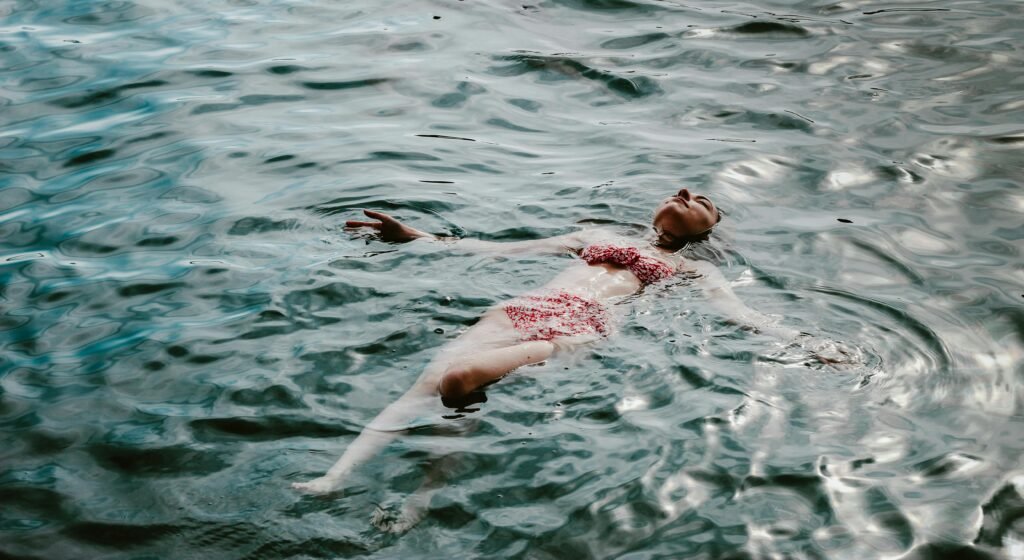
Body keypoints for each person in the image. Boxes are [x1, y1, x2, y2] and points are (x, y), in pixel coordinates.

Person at [292, 188, 805, 505]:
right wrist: (417, 237)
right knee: (427, 390)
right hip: (518, 309)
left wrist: (807, 343)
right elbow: (496, 250)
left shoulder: (697, 269)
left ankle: (421, 494)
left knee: (457, 381)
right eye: (681, 189)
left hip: (575, 329)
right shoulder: (595, 233)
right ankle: (339, 478)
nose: (686, 191)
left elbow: (743, 317)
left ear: (711, 228)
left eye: (704, 201)